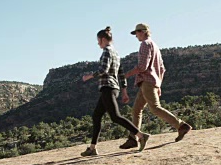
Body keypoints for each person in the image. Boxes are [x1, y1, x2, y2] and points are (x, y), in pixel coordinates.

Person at [119, 23, 192, 149]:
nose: (136, 36)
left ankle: (181, 125)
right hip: (150, 82)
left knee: (155, 108)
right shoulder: (155, 46)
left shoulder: (145, 44)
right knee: (136, 110)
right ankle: (133, 138)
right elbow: (162, 69)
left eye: (136, 33)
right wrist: (158, 85)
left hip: (147, 81)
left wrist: (126, 75)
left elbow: (142, 67)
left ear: (142, 32)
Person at [81, 26, 150, 156]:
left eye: (98, 40)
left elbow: (103, 70)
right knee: (96, 116)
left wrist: (89, 76)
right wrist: (124, 91)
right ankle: (92, 147)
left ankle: (140, 136)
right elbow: (122, 75)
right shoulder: (116, 54)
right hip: (112, 88)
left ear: (102, 39)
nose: (97, 43)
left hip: (108, 87)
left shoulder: (107, 51)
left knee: (115, 116)